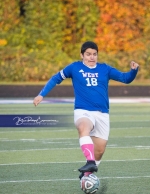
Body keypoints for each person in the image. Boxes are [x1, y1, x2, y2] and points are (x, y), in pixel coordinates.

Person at [33, 41, 139, 179]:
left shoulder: (105, 69)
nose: (92, 57)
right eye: (88, 54)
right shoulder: (74, 67)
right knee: (83, 127)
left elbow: (126, 79)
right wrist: (42, 94)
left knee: (99, 151)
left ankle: (87, 175)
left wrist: (134, 70)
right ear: (82, 55)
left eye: (94, 54)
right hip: (83, 111)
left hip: (102, 114)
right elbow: (56, 78)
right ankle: (89, 162)